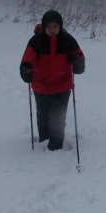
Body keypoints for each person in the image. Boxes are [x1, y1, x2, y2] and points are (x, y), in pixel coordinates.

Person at [20, 10, 85, 151]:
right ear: (44, 26)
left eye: (55, 26)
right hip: (41, 85)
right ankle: (44, 141)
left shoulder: (68, 40)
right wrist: (25, 71)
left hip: (62, 86)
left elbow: (80, 60)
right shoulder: (36, 41)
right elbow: (26, 61)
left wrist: (77, 62)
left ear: (60, 26)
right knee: (43, 115)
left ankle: (56, 147)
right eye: (49, 26)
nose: (52, 29)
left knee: (58, 118)